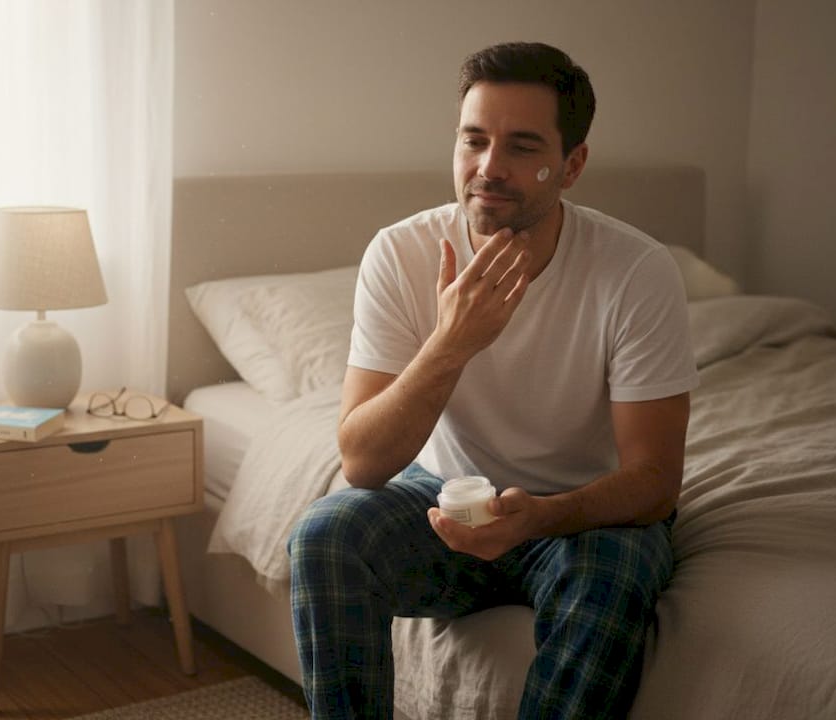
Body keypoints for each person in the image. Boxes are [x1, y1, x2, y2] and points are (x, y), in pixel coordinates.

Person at [287, 41, 699, 720]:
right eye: (473, 140)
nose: (488, 167)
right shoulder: (401, 252)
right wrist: (451, 344)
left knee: (612, 578)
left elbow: (655, 481)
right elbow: (363, 462)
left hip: (586, 511)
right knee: (325, 536)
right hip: (445, 495)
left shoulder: (636, 271)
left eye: (521, 146)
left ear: (571, 165)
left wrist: (541, 516)